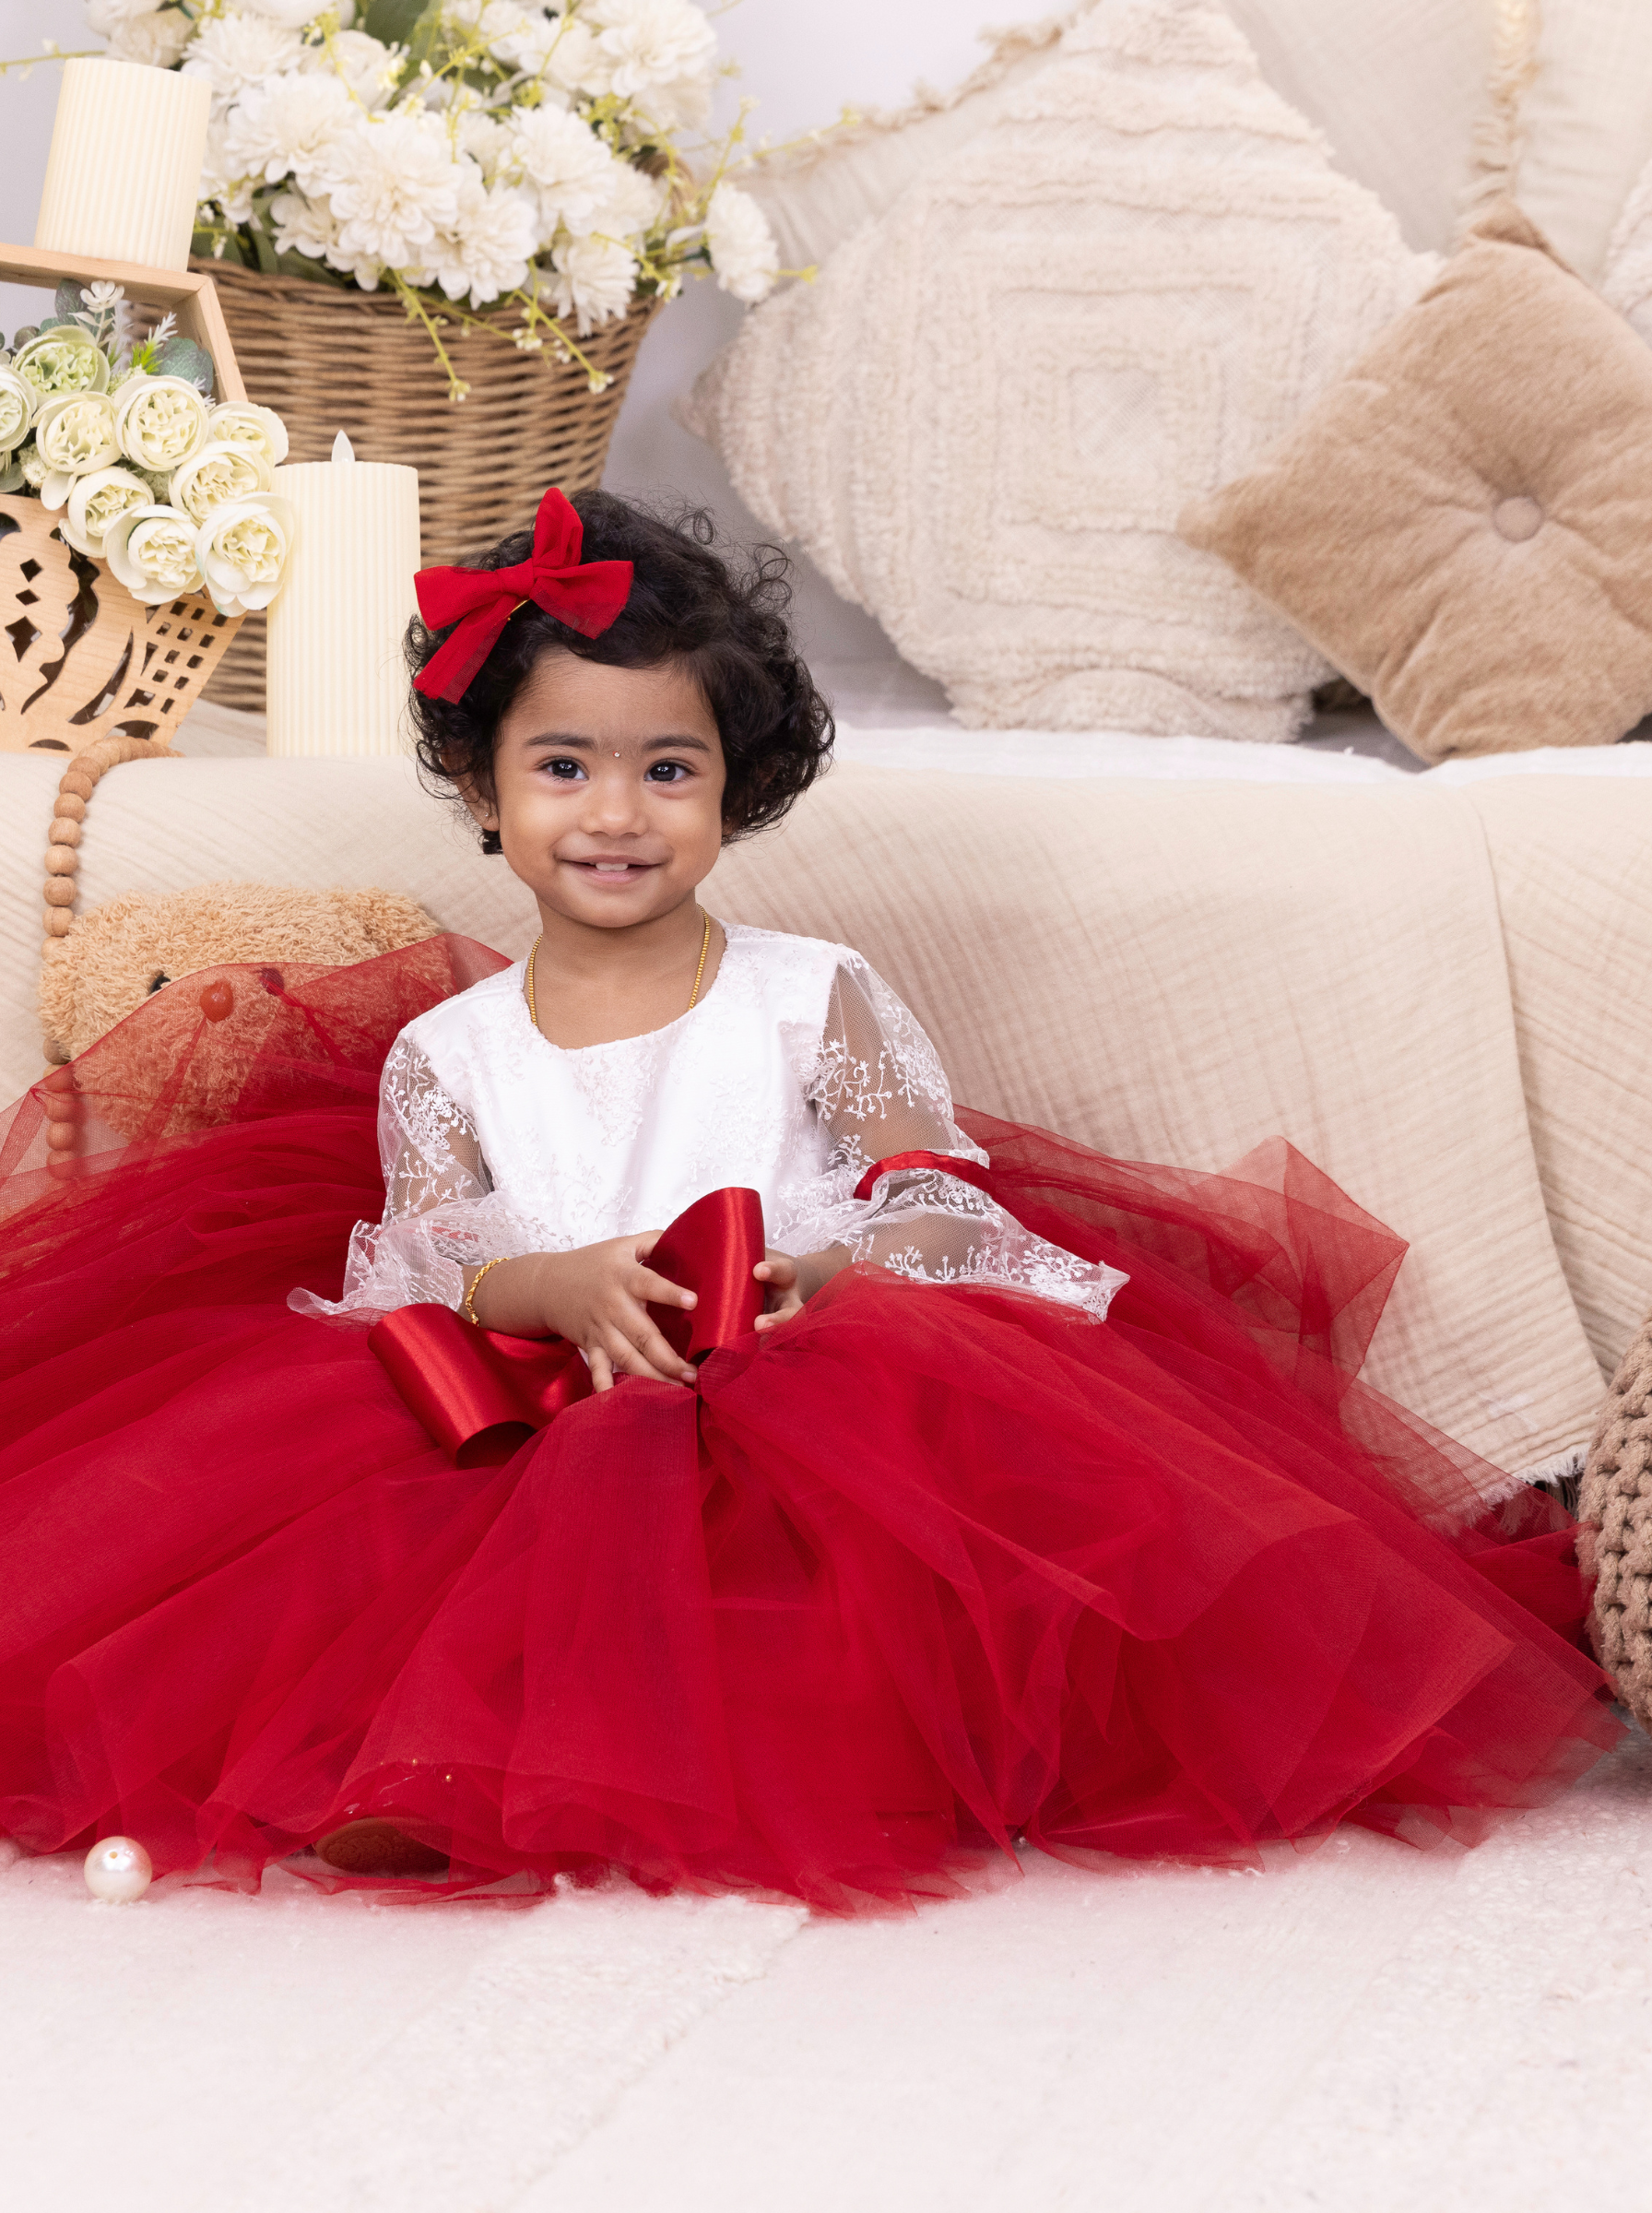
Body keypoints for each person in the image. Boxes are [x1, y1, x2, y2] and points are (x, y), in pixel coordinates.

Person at [0, 488, 1619, 1909]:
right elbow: (418, 1266)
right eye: (563, 765)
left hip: (806, 1375)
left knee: (831, 1604)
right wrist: (547, 1287)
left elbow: (931, 1192)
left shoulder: (808, 993)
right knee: (399, 1550)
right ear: (481, 790)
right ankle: (418, 1773)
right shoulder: (449, 1049)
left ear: (737, 789)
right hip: (529, 1405)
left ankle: (702, 1760)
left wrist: (827, 1276)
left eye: (667, 769)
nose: (615, 812)